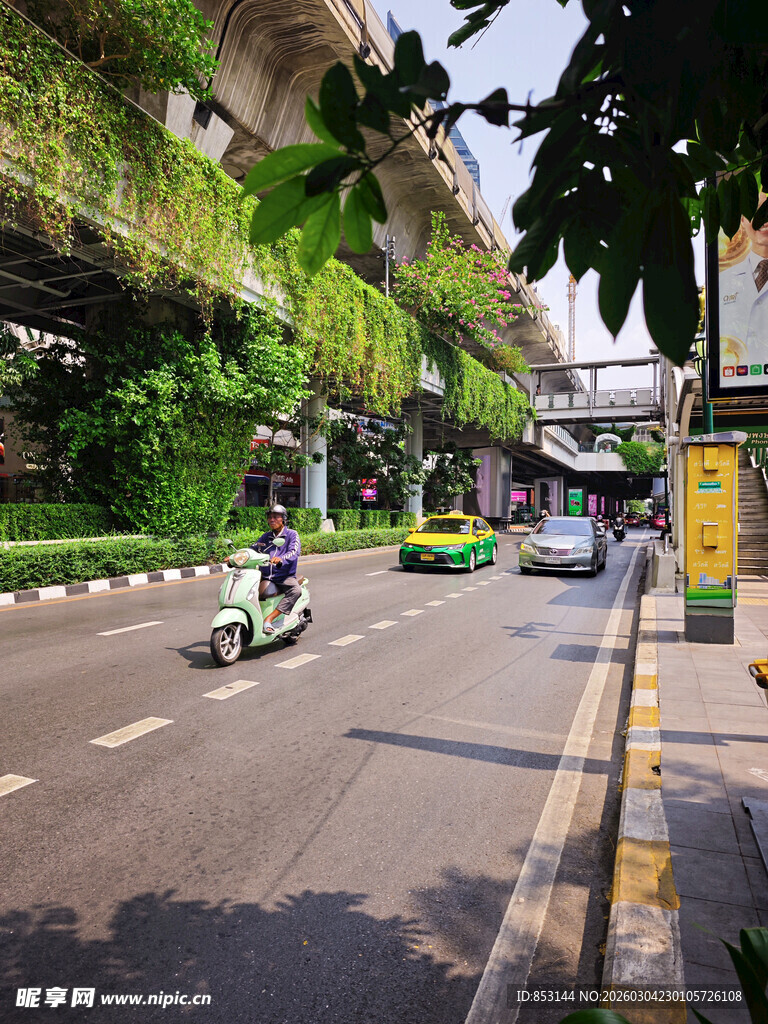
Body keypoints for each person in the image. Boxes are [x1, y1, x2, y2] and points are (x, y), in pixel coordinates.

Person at [719, 193, 768, 383]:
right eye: (754, 211)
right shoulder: (723, 281)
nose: (763, 218)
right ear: (742, 221)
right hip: (736, 382)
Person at [253, 504, 302, 634]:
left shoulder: (291, 534)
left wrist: (281, 559)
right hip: (264, 576)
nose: (272, 520)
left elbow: (294, 552)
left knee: (296, 590)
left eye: (275, 517)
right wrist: (237, 556)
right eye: (270, 517)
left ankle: (269, 619)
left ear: (283, 519)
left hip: (283, 576)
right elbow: (254, 548)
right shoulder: (266, 537)